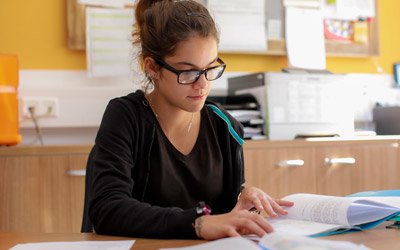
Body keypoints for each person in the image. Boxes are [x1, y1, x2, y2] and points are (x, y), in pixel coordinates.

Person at [88, 0, 294, 240]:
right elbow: (107, 209)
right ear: (152, 67)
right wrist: (197, 224)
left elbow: (222, 214)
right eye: (188, 71)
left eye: (210, 68)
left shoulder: (224, 126)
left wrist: (241, 199)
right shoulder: (126, 116)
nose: (203, 84)